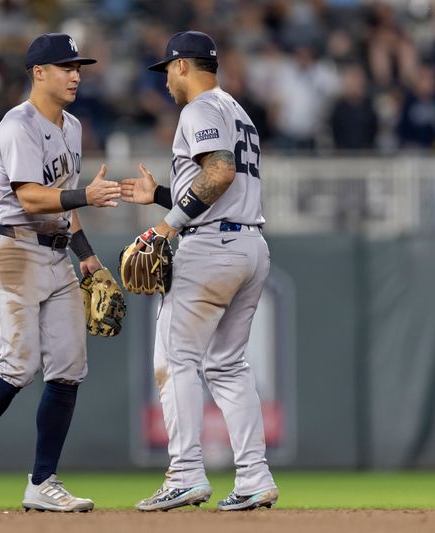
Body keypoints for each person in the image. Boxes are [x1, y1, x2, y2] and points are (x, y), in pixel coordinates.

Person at [0, 32, 121, 513]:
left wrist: (86, 256)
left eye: (78, 67)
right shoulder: (16, 125)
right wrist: (87, 197)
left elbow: (63, 201)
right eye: (66, 67)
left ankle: (43, 483)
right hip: (12, 248)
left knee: (68, 368)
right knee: (17, 365)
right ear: (38, 73)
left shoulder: (73, 126)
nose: (75, 75)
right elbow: (31, 197)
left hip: (56, 253)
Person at [121, 31, 278, 512]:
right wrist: (165, 197)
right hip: (249, 243)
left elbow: (220, 172)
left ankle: (185, 472)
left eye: (168, 68)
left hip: (211, 248)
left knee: (175, 358)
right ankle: (254, 477)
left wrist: (166, 226)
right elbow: (219, 183)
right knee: (228, 365)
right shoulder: (237, 110)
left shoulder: (199, 109)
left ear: (184, 66)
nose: (166, 78)